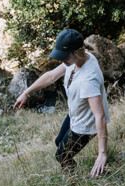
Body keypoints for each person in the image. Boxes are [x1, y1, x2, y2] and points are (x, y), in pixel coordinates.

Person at [13, 29, 110, 177]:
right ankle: (70, 169)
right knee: (59, 142)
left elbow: (100, 116)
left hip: (86, 124)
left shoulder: (89, 78)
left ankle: (73, 178)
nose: (61, 60)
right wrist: (26, 92)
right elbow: (51, 76)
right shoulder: (78, 59)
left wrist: (102, 153)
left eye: (64, 57)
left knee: (61, 155)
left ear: (76, 53)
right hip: (75, 114)